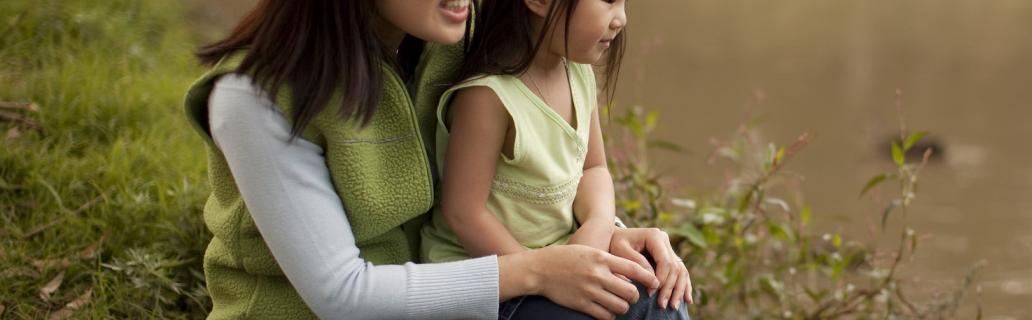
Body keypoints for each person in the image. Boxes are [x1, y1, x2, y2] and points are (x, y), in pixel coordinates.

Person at [182, 0, 671, 318]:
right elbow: (342, 296)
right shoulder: (254, 98)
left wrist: (606, 236)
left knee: (652, 297)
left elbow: (538, 167)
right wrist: (542, 270)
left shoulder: (455, 35)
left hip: (458, 294)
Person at [418, 0, 692, 318]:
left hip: (559, 256)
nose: (621, 20)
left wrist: (599, 225)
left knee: (658, 291)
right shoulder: (488, 98)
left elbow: (594, 167)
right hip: (494, 283)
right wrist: (545, 276)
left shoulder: (577, 72)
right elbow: (464, 213)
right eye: (608, 2)